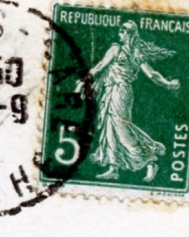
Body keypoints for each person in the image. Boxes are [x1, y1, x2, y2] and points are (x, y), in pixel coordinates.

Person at [75, 21, 180, 183]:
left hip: (120, 92)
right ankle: (113, 168)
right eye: (120, 30)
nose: (120, 33)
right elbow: (100, 67)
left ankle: (150, 160)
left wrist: (167, 83)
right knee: (110, 127)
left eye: (124, 30)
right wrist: (84, 82)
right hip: (113, 91)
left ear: (131, 33)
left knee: (120, 126)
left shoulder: (123, 50)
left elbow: (151, 74)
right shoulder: (128, 51)